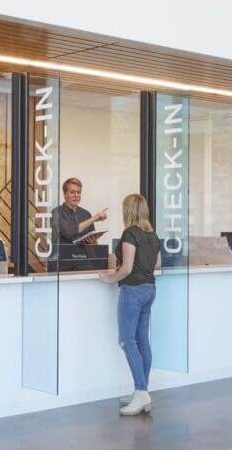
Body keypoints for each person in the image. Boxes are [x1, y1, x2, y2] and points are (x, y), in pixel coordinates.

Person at [99, 193, 162, 417]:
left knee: (127, 340)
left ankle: (141, 392)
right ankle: (141, 392)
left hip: (133, 291)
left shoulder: (130, 233)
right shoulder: (152, 235)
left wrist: (108, 278)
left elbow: (125, 269)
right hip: (149, 289)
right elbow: (158, 264)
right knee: (142, 341)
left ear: (129, 211)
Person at [55, 178, 106, 246]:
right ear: (64, 194)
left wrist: (93, 242)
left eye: (78, 192)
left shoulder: (86, 214)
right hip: (64, 255)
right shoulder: (57, 213)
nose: (76, 195)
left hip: (84, 255)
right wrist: (94, 218)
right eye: (72, 192)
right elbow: (69, 232)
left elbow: (94, 242)